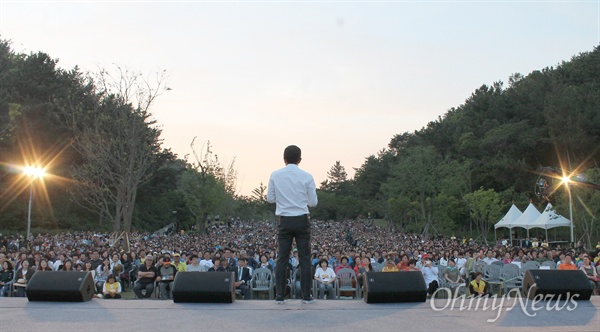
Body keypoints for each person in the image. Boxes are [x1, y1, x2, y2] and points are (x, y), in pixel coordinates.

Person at [267, 145, 318, 304]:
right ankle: (306, 296)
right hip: (302, 219)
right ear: (300, 159)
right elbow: (314, 203)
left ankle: (280, 296)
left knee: (282, 258)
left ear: (284, 159)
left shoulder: (275, 175)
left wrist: (283, 199)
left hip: (284, 220)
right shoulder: (307, 176)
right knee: (304, 259)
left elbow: (270, 198)